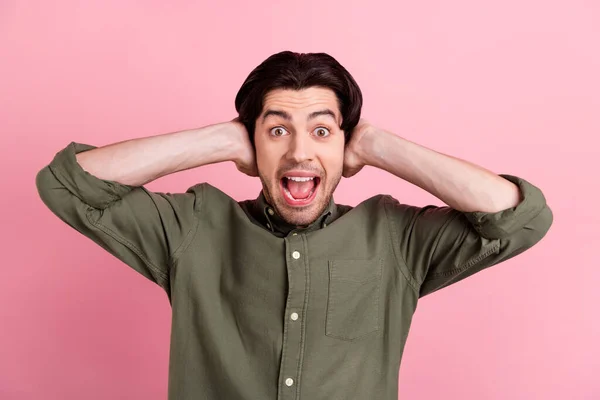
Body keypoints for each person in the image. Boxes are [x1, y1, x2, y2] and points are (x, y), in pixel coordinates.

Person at [36, 50, 553, 400]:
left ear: (344, 146)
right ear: (252, 144)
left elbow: (521, 219)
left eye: (322, 131)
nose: (300, 151)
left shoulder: (397, 238)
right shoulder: (194, 226)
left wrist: (378, 146)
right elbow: (66, 184)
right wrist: (218, 140)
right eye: (277, 129)